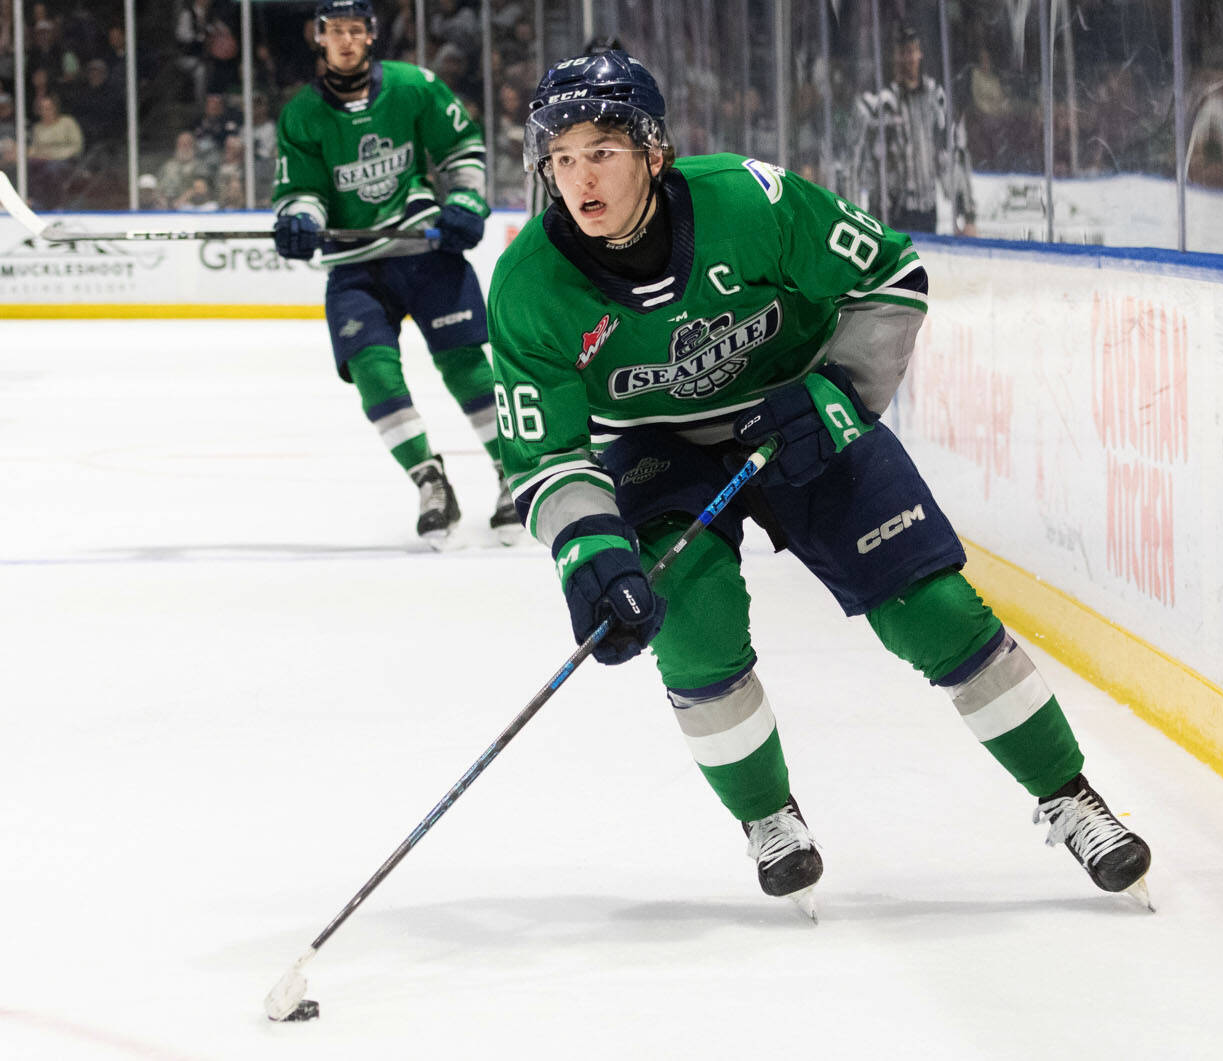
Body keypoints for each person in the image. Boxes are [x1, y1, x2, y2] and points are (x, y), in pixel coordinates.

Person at [486, 50, 1153, 913]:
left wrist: (840, 393)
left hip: (797, 407)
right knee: (691, 621)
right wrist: (590, 552)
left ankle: (1070, 796)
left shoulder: (749, 200)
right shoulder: (529, 285)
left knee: (934, 609)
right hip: (657, 448)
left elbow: (891, 274)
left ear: (654, 153)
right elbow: (547, 459)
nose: (580, 178)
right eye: (561, 158)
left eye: (602, 151)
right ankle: (769, 818)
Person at [272, 0, 520, 547]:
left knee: (465, 365)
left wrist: (465, 203)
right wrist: (299, 221)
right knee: (373, 373)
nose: (344, 40)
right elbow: (303, 191)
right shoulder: (303, 113)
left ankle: (514, 475)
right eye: (334, 31)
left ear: (371, 36)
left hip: (422, 249)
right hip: (355, 267)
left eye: (354, 30)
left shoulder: (414, 86)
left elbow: (462, 148)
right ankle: (430, 480)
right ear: (319, 37)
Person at [853, 26, 976, 236]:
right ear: (892, 56)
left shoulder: (934, 97)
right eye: (902, 52)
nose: (907, 59)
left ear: (920, 53)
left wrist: (967, 213)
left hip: (926, 212)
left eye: (912, 51)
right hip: (889, 213)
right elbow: (860, 162)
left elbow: (949, 154)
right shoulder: (878, 102)